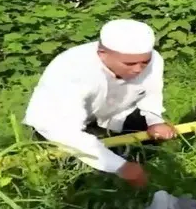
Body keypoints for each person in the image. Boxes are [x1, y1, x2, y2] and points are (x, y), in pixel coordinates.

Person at [23, 19, 176, 188]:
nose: (138, 69)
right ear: (102, 53)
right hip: (58, 122)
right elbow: (65, 131)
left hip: (113, 111)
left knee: (145, 145)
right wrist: (121, 168)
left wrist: (155, 121)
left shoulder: (154, 60)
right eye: (129, 64)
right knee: (75, 174)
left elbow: (151, 93)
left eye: (144, 62)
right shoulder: (72, 69)